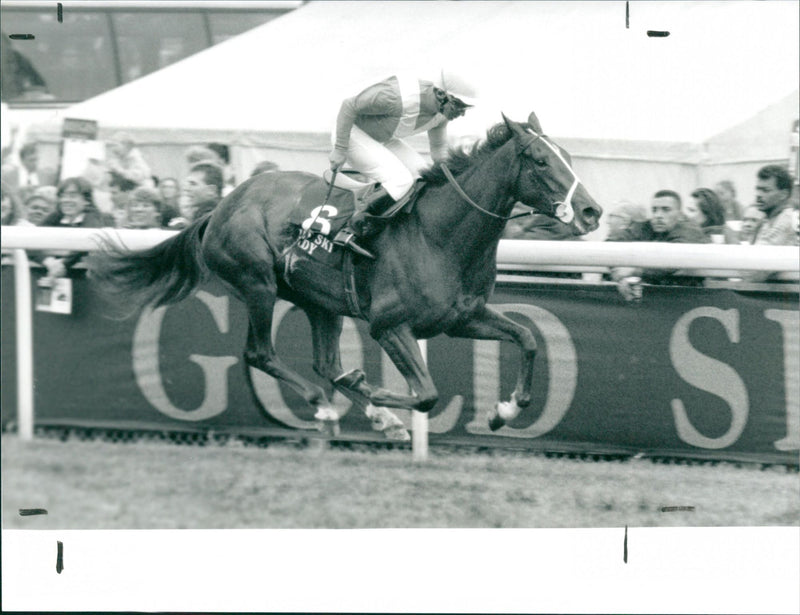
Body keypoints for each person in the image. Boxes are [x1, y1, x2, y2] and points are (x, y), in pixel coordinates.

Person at [328, 70, 478, 257]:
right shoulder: (392, 97)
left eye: (465, 108)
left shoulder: (440, 115)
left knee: (422, 175)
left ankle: (398, 231)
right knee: (401, 180)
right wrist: (340, 149)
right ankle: (351, 229)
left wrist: (452, 180)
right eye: (459, 106)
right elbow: (349, 105)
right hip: (351, 134)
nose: (462, 114)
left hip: (384, 137)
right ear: (440, 94)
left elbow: (438, 150)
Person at [607, 189, 708, 300]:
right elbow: (612, 243)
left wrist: (634, 271)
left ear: (679, 214)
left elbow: (674, 259)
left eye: (666, 210)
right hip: (662, 299)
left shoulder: (690, 230)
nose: (658, 215)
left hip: (689, 298)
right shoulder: (647, 226)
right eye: (654, 210)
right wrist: (622, 277)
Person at [34, 177, 113, 279]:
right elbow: (29, 240)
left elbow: (88, 240)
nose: (66, 200)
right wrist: (48, 262)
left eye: (72, 196)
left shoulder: (94, 218)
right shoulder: (55, 217)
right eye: (62, 196)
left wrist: (64, 264)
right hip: (54, 278)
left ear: (87, 201)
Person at [740, 165, 799, 282]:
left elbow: (754, 273)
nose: (758, 195)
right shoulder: (768, 220)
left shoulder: (786, 221)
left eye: (765, 190)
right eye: (758, 189)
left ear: (783, 194)